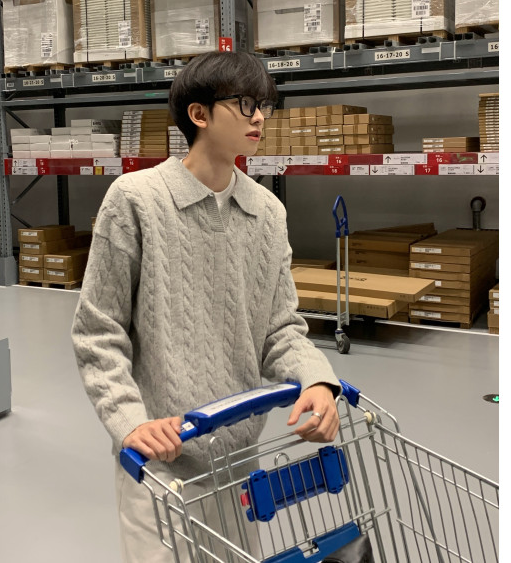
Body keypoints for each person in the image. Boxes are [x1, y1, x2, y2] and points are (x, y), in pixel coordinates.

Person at [71, 50, 342, 563]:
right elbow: (98, 330)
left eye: (264, 104)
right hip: (160, 460)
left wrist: (317, 381)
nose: (259, 117)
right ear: (198, 114)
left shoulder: (267, 212)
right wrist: (130, 422)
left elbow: (281, 328)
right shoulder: (135, 199)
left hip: (239, 459)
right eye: (245, 103)